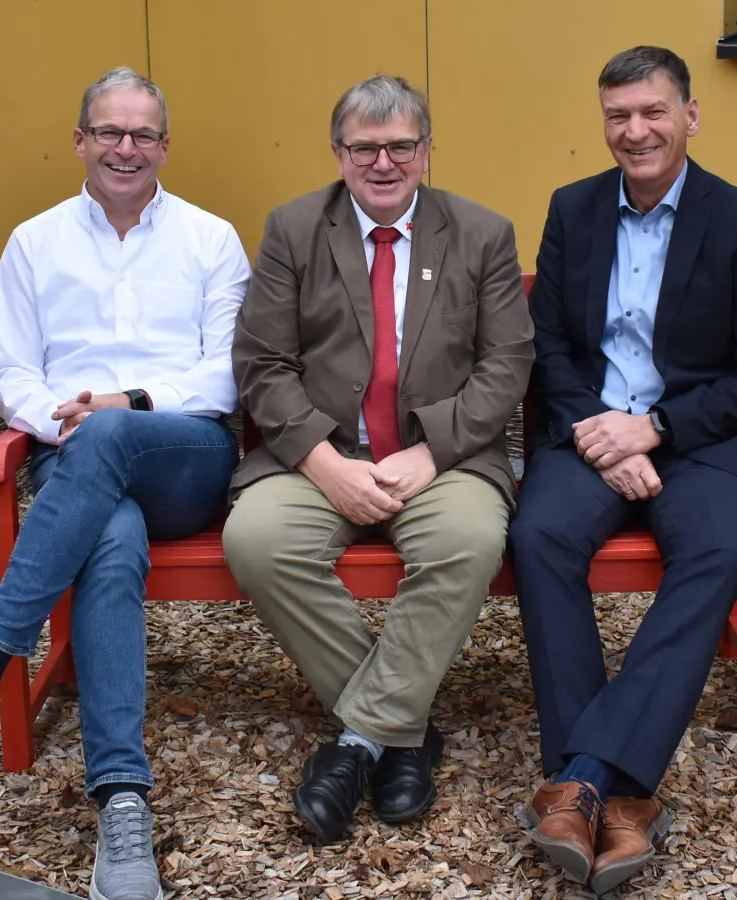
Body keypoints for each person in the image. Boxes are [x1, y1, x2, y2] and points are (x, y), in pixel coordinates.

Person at [0, 66, 250, 900]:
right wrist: (67, 421)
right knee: (109, 539)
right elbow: (7, 373)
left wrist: (125, 406)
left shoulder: (211, 238)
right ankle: (123, 803)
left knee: (112, 436)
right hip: (72, 453)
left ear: (165, 146)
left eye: (143, 134)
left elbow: (225, 376)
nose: (126, 148)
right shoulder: (34, 242)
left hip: (184, 455)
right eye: (110, 132)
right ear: (80, 141)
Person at [507, 46, 737, 894]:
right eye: (618, 116)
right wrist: (600, 432)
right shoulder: (573, 208)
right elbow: (547, 346)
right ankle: (619, 793)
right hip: (590, 433)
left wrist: (656, 429)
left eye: (652, 112)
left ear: (690, 116)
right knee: (538, 534)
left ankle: (586, 780)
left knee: (719, 546)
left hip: (697, 441)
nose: (635, 131)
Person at [221, 75, 533, 844]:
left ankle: (360, 741)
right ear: (339, 154)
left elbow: (507, 364)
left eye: (400, 147)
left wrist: (434, 452)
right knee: (256, 540)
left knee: (468, 541)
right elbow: (261, 363)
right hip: (320, 454)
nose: (383, 163)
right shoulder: (295, 229)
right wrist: (322, 462)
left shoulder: (482, 233)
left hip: (443, 459)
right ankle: (403, 732)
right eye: (365, 148)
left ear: (426, 152)